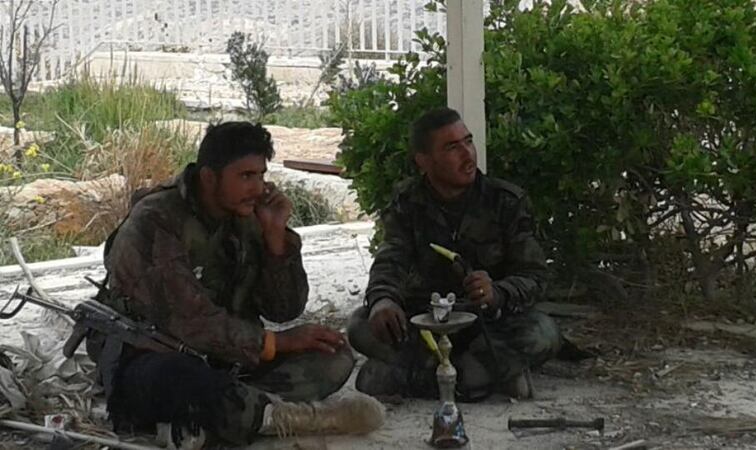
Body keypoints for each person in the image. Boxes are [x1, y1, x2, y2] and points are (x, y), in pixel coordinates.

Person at [87, 122, 381, 447]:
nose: (257, 188)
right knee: (183, 380)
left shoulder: (247, 215)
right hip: (152, 353)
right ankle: (277, 417)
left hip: (231, 356)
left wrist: (275, 240)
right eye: (245, 176)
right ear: (209, 177)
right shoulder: (155, 221)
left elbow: (284, 309)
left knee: (333, 357)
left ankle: (224, 415)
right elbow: (191, 323)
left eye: (261, 175)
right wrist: (274, 344)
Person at [347, 107, 563, 401]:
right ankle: (480, 378)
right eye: (452, 147)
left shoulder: (505, 201)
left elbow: (535, 276)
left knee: (543, 334)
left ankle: (407, 378)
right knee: (360, 325)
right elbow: (391, 259)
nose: (467, 154)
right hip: (424, 320)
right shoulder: (408, 202)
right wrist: (383, 299)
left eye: (468, 142)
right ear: (424, 161)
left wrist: (497, 292)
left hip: (486, 324)